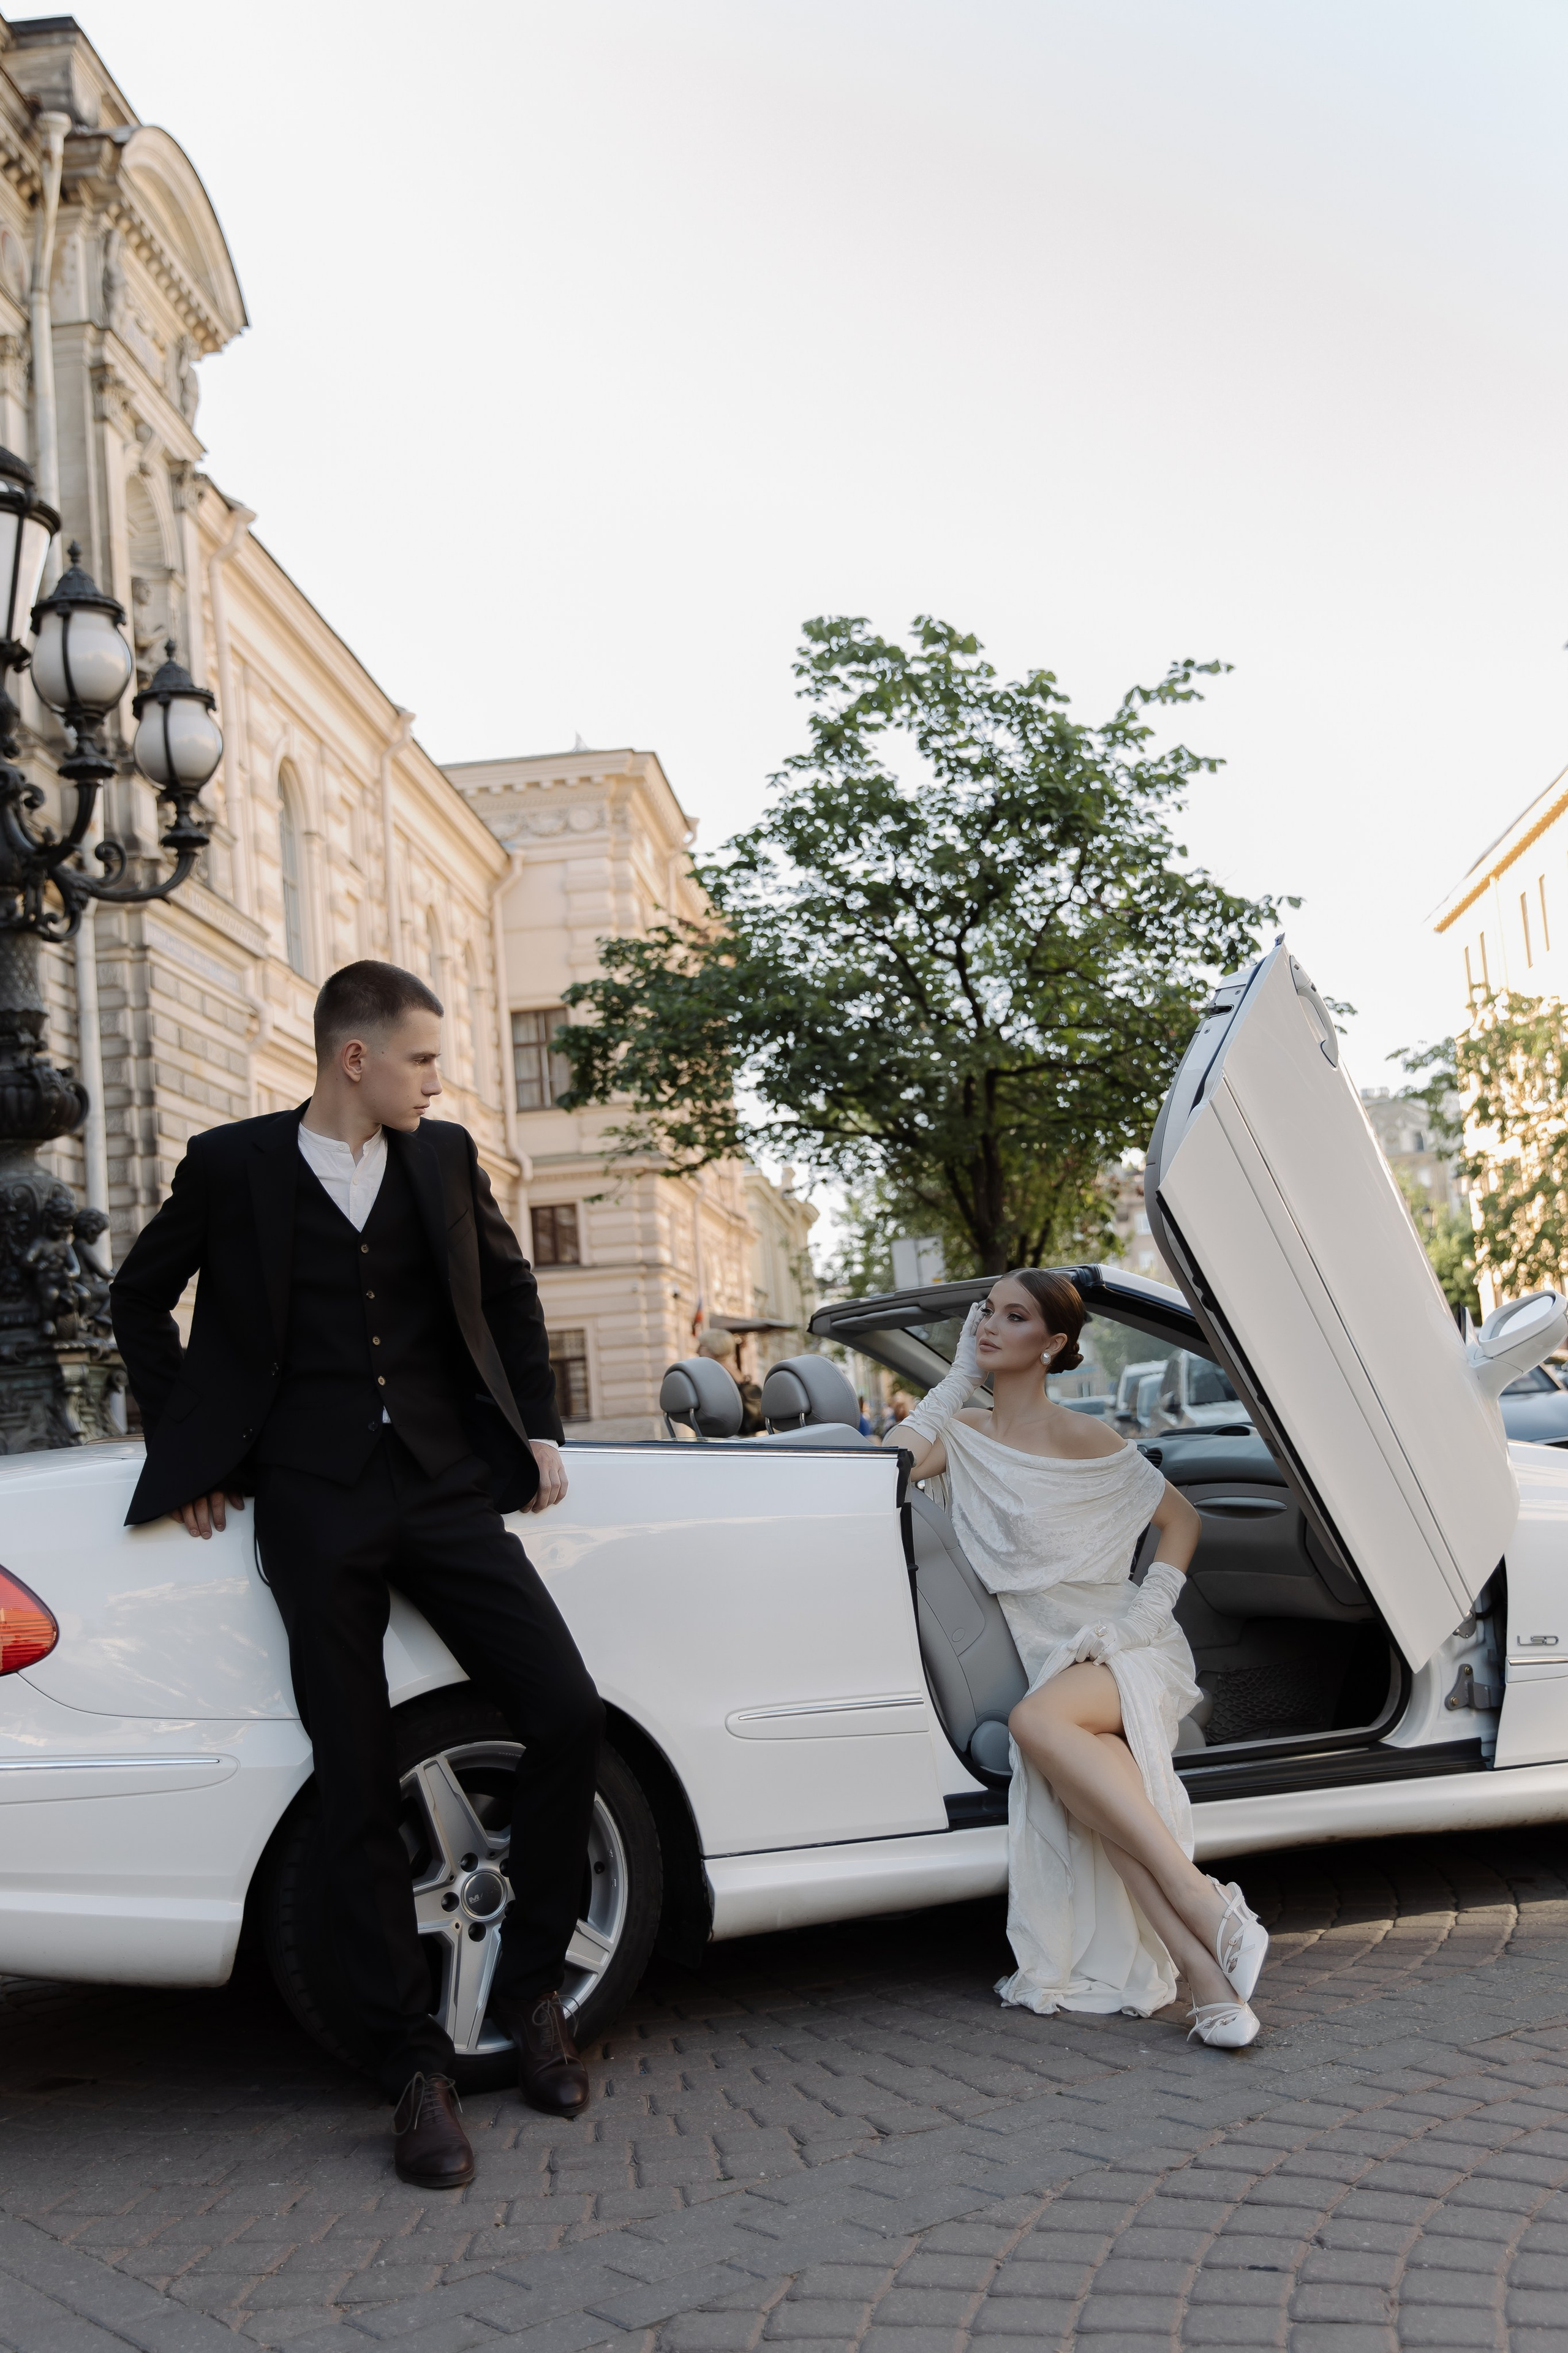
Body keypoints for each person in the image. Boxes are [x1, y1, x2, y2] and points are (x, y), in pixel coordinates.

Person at [110, 961, 604, 2189]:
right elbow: (138, 1295)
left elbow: (506, 1290)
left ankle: (534, 1990)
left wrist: (536, 1427)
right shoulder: (233, 1165)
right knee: (351, 1776)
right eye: (424, 1060)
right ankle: (412, 2067)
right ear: (355, 1060)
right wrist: (195, 1450)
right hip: (315, 1501)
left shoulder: (442, 1162)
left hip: (444, 1488)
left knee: (564, 1713)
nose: (439, 1081)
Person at [890, 1271, 1268, 2049]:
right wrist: (958, 1374)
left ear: (1053, 1344)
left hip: (1120, 1647)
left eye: (1015, 1317)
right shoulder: (959, 1434)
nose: (991, 1326)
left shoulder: (1087, 1437)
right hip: (1045, 1653)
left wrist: (1142, 1617)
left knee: (1037, 1724)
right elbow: (885, 1469)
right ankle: (1209, 1979)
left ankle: (1204, 1903)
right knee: (1092, 1788)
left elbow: (1181, 1522)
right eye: (986, 1313)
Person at [695, 1326, 763, 1434]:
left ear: (713, 1350)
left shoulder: (716, 1372)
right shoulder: (734, 1370)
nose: (697, 1351)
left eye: (701, 1346)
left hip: (729, 1436)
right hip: (744, 1433)